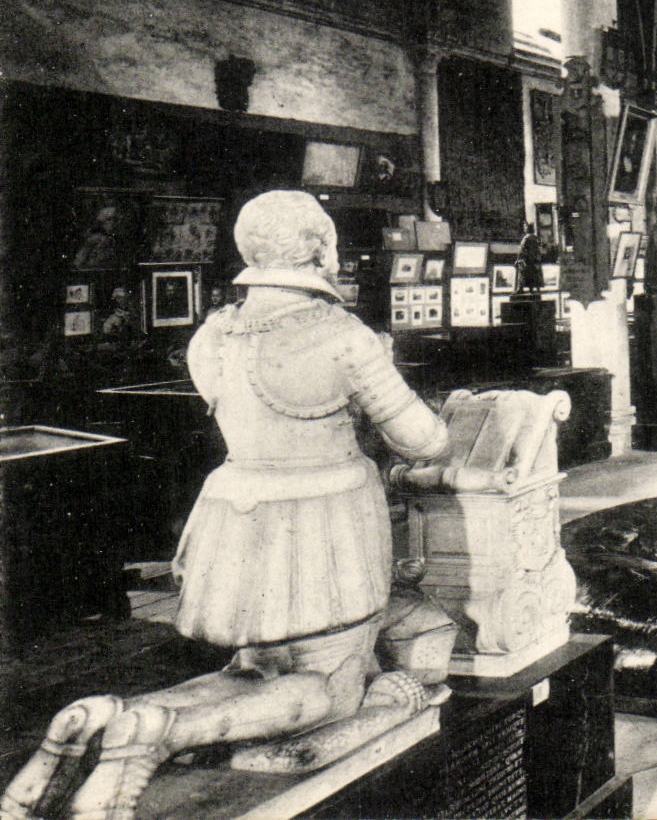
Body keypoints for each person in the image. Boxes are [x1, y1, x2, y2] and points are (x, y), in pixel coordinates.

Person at [4, 191, 449, 820]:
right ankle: (166, 732)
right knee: (332, 687)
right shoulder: (343, 336)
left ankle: (112, 718)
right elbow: (425, 440)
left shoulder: (214, 334)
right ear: (320, 248)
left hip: (239, 514)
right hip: (327, 524)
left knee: (254, 669)